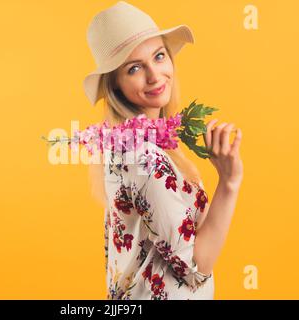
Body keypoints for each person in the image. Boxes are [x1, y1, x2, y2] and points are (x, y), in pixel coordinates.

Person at [83, 1, 243, 300]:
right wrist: (229, 182)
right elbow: (194, 268)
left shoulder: (134, 146)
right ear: (115, 86)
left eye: (158, 56)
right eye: (134, 68)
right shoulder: (143, 157)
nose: (155, 75)